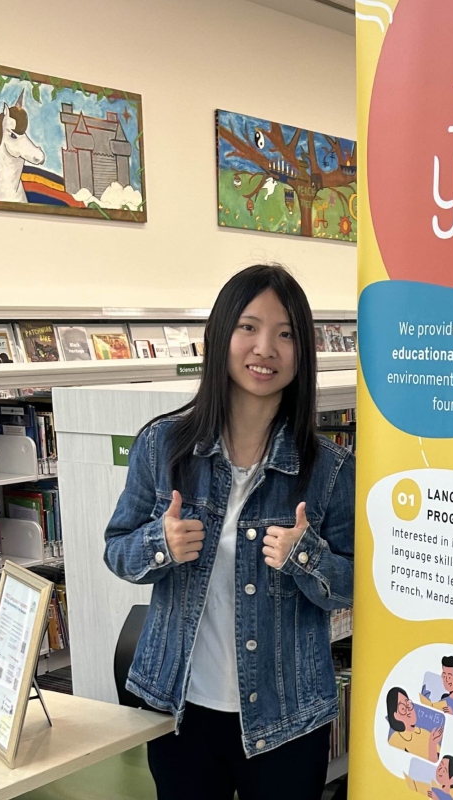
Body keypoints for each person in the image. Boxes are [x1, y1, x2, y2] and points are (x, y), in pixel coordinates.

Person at [104, 264, 355, 800]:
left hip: (288, 718)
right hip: (179, 710)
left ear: (302, 353)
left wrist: (306, 557)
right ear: (219, 336)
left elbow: (357, 585)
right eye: (249, 327)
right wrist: (159, 545)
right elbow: (116, 549)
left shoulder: (330, 470)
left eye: (285, 334)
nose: (265, 347)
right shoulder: (162, 446)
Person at [387, 687, 443, 762]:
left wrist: (433, 743)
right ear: (395, 715)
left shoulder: (426, 733)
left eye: (408, 704)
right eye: (403, 709)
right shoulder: (395, 739)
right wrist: (432, 745)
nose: (409, 711)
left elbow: (437, 764)